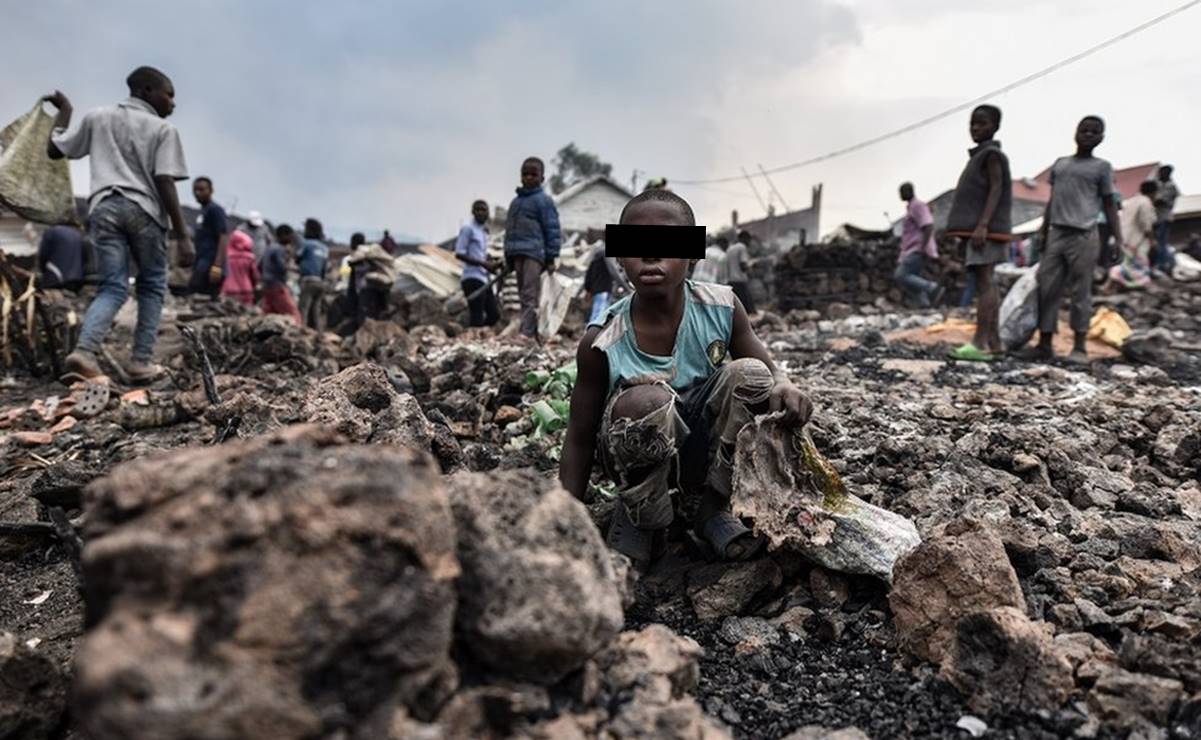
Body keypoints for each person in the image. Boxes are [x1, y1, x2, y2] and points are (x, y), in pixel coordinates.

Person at [558, 189, 812, 567]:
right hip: (635, 457)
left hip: (702, 452)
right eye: (636, 244)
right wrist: (563, 522)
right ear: (620, 257)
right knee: (647, 401)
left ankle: (711, 510)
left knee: (752, 376)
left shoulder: (722, 308)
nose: (650, 254)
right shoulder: (602, 340)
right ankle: (642, 519)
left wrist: (785, 385)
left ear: (692, 254)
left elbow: (769, 373)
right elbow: (579, 439)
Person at [44, 66, 192, 383]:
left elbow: (55, 149)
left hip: (103, 208)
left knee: (112, 286)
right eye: (170, 94)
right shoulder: (162, 130)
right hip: (144, 211)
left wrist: (66, 112)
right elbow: (164, 180)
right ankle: (140, 362)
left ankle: (84, 352)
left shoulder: (98, 117)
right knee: (152, 285)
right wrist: (182, 235)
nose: (173, 103)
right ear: (147, 91)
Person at [1018, 116, 1122, 365]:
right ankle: (1044, 343)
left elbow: (1109, 205)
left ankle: (1079, 346)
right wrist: (1044, 230)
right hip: (1057, 233)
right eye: (1084, 130)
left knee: (1081, 291)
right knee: (1047, 289)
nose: (1088, 134)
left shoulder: (1102, 167)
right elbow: (1053, 200)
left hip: (1084, 235)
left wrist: (1117, 239)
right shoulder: (1061, 165)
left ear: (1101, 138)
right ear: (1075, 133)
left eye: (1094, 132)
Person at [943, 105, 1013, 361]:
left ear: (995, 127)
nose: (975, 128)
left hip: (986, 230)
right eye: (972, 124)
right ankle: (995, 343)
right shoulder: (979, 156)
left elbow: (996, 189)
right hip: (978, 230)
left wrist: (983, 225)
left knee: (985, 283)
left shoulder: (992, 155)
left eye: (982, 124)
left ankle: (980, 342)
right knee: (986, 281)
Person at [503, 156, 561, 340]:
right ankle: (530, 330)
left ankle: (526, 333)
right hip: (517, 253)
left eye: (533, 174)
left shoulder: (543, 201)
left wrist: (551, 257)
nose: (528, 178)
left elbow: (552, 229)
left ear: (542, 178)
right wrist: (508, 257)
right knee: (523, 294)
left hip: (534, 253)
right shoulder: (516, 203)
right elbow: (509, 230)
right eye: (525, 174)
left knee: (529, 293)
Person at [894, 182, 944, 310]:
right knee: (912, 279)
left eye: (902, 192)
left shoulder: (917, 206)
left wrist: (923, 247)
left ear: (909, 191)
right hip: (910, 249)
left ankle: (931, 288)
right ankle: (924, 304)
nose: (900, 195)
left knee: (901, 275)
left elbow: (928, 225)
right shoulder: (911, 208)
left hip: (916, 249)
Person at [455, 200, 501, 327]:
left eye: (484, 210)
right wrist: (483, 264)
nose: (481, 213)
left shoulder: (484, 232)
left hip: (484, 278)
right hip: (472, 277)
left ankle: (478, 335)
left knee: (494, 315)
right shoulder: (468, 229)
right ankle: (474, 340)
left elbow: (481, 254)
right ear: (473, 212)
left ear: (488, 213)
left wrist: (490, 264)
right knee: (477, 315)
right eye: (478, 210)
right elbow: (459, 253)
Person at [1108, 180, 1158, 289]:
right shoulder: (1146, 202)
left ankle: (1113, 285)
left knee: (1126, 262)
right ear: (1154, 192)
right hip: (1135, 238)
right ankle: (1141, 284)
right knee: (1138, 262)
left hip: (1122, 236)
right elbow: (1146, 224)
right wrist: (1152, 240)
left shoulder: (1131, 201)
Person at [189, 176, 229, 299]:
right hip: (201, 263)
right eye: (195, 190)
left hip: (211, 265)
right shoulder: (203, 211)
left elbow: (223, 237)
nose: (197, 193)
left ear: (210, 190)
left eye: (201, 190)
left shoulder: (215, 210)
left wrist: (217, 266)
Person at [346, 235, 395, 328]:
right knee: (377, 314)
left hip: (367, 290)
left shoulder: (361, 258)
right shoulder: (371, 256)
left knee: (365, 317)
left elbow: (355, 274)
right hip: (380, 288)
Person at [260, 224, 301, 324]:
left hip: (267, 285)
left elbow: (260, 265)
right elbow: (281, 267)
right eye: (290, 235)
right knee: (292, 313)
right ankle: (298, 332)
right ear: (283, 235)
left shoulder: (269, 248)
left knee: (269, 313)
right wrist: (294, 268)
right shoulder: (279, 249)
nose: (291, 238)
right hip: (277, 285)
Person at [296, 218, 329, 330]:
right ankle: (318, 335)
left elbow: (298, 258)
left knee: (303, 310)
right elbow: (324, 269)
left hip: (308, 281)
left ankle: (301, 333)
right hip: (320, 282)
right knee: (315, 312)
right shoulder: (324, 248)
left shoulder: (306, 244)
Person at [37, 224, 88, 291]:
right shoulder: (79, 235)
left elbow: (43, 255)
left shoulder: (51, 231)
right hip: (77, 280)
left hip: (56, 279)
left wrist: (42, 271)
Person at [220, 229, 259, 306]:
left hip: (229, 290)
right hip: (246, 290)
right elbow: (255, 277)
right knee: (246, 315)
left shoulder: (225, 256)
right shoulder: (250, 257)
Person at [1151, 164, 1179, 274]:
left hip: (1164, 217)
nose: (1159, 175)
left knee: (1161, 243)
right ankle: (1157, 264)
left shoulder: (1171, 186)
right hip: (1155, 218)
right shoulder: (1157, 183)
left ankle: (1161, 265)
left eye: (1162, 173)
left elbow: (1159, 200)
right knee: (1155, 242)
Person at [725, 230, 755, 316]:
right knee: (747, 310)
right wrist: (750, 267)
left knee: (735, 309)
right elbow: (743, 265)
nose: (750, 242)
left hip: (731, 281)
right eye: (749, 239)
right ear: (744, 238)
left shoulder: (730, 248)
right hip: (740, 280)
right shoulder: (742, 247)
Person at [584, 245, 614, 324]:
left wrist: (588, 289)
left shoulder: (594, 261)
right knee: (600, 314)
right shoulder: (609, 261)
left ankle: (593, 332)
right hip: (605, 289)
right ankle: (593, 333)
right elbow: (615, 273)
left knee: (598, 312)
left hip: (597, 290)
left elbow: (588, 276)